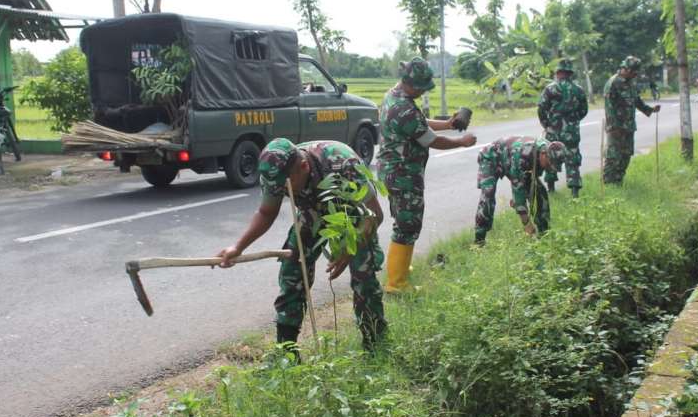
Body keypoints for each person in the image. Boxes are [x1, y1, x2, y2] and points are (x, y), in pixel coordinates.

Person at [216, 138, 387, 353]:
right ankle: (286, 352)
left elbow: (374, 215)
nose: (280, 189)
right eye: (276, 185)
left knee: (364, 277)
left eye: (286, 184)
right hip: (311, 214)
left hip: (354, 217)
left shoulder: (342, 163)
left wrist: (349, 248)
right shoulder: (275, 173)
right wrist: (238, 247)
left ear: (304, 167)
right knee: (292, 270)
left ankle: (375, 344)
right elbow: (266, 212)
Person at [377, 57, 477, 293]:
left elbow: (420, 122)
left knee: (403, 222)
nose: (422, 92)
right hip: (402, 174)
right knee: (408, 224)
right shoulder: (403, 108)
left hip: (393, 170)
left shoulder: (395, 96)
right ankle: (396, 283)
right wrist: (462, 141)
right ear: (411, 84)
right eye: (421, 88)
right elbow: (431, 140)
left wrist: (449, 123)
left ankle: (399, 269)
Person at [474, 137, 566, 244]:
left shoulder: (551, 148)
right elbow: (518, 190)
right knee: (488, 194)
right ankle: (479, 240)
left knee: (540, 193)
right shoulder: (522, 155)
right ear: (543, 154)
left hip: (512, 162)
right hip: (491, 157)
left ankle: (545, 234)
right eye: (549, 164)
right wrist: (526, 223)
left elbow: (527, 179)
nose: (549, 168)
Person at [603, 56, 661, 185]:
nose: (636, 74)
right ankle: (608, 183)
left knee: (626, 155)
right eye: (634, 71)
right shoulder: (613, 83)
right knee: (613, 156)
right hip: (616, 128)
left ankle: (618, 182)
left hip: (628, 126)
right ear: (626, 69)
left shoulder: (631, 83)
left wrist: (650, 110)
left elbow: (637, 101)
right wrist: (613, 127)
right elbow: (609, 107)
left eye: (636, 72)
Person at [538, 58, 589, 197]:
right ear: (570, 73)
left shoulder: (550, 88)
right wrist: (574, 121)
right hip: (572, 132)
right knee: (572, 159)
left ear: (558, 72)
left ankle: (551, 188)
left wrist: (546, 124)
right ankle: (574, 191)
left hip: (553, 131)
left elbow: (542, 108)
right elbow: (584, 110)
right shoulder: (578, 90)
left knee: (551, 157)